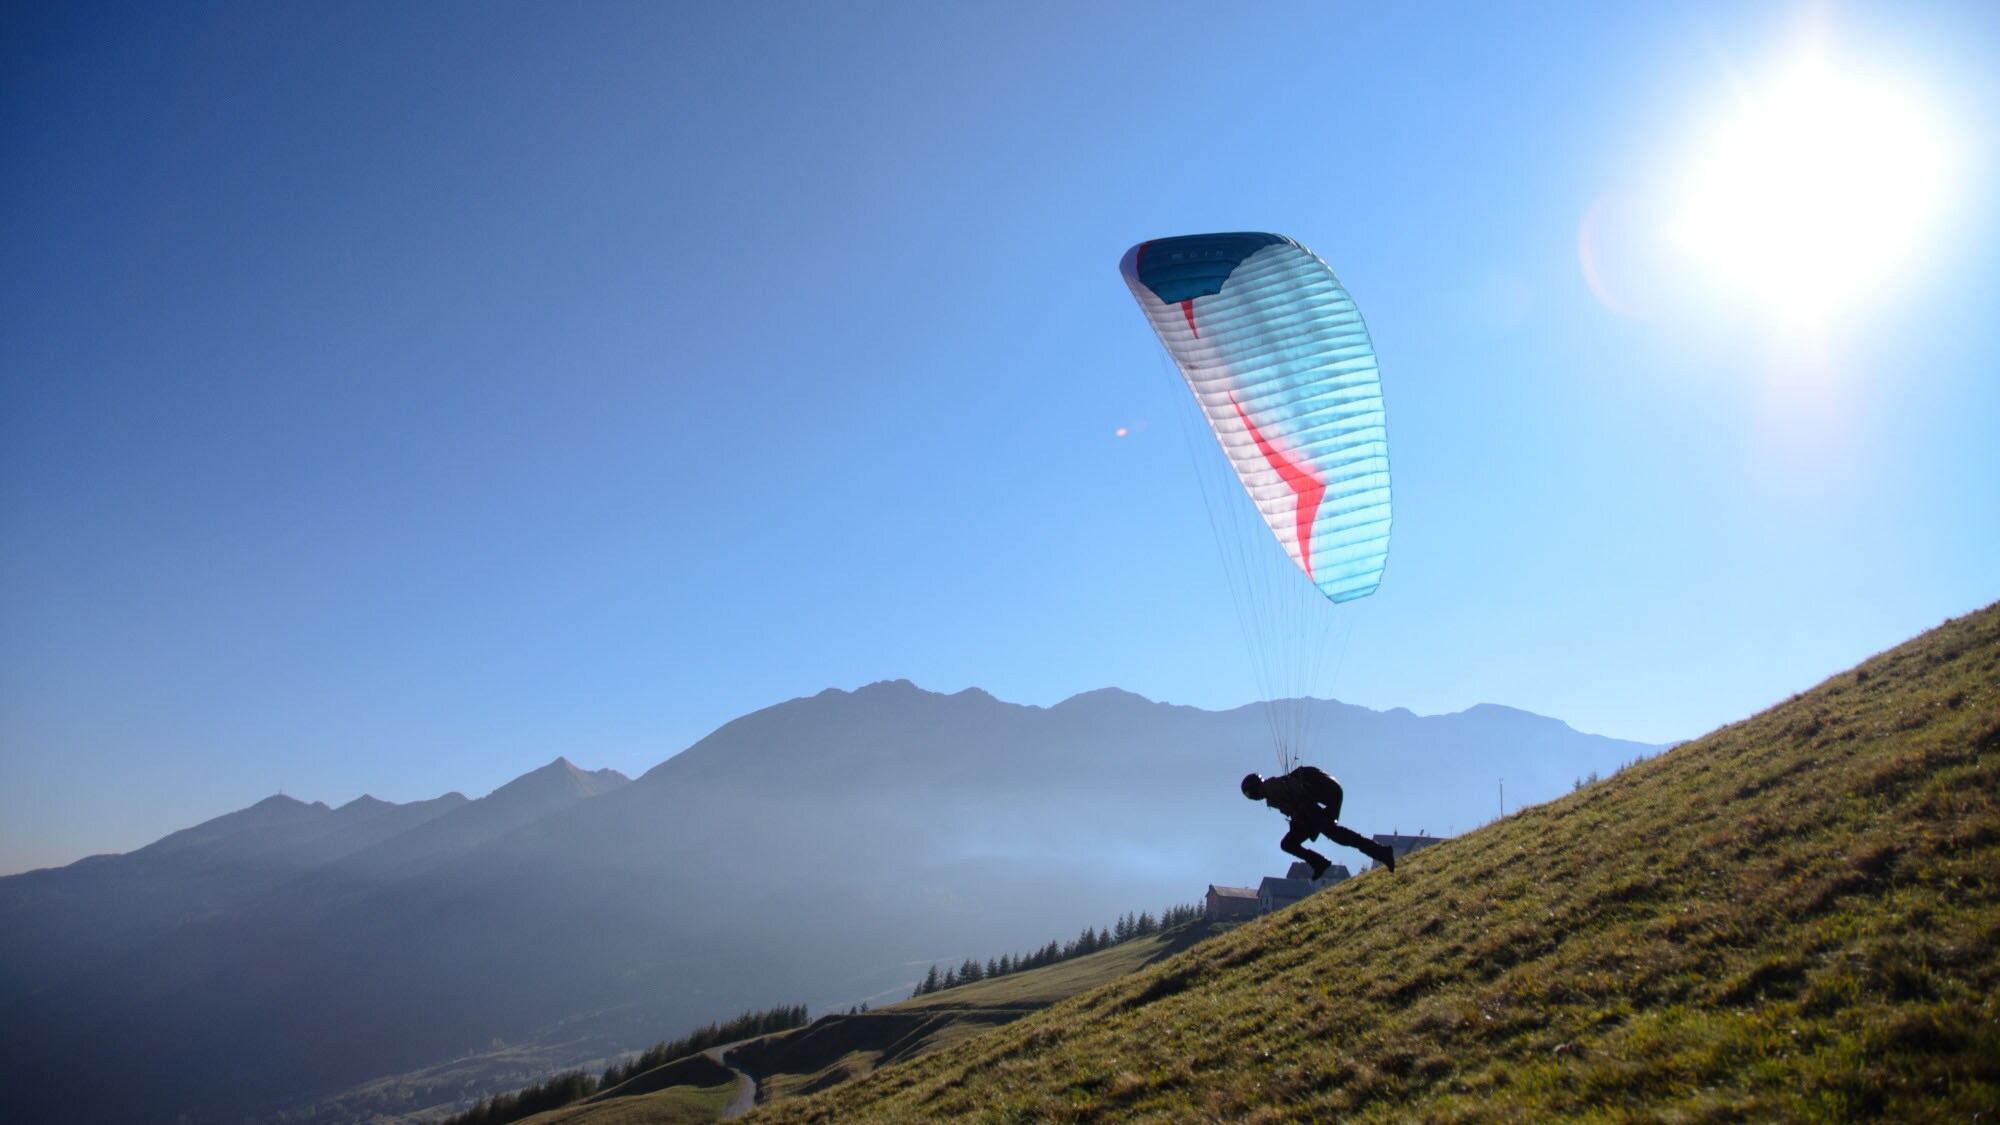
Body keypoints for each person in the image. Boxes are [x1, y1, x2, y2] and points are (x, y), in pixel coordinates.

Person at [1241, 766, 1397, 877]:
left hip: (1325, 795)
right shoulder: (1271, 792)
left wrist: (1303, 819)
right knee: (1289, 843)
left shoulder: (1272, 787)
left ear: (1254, 789)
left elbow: (1300, 796)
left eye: (1249, 794)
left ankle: (1382, 852)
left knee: (1336, 834)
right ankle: (1319, 862)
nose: (1251, 798)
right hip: (1320, 799)